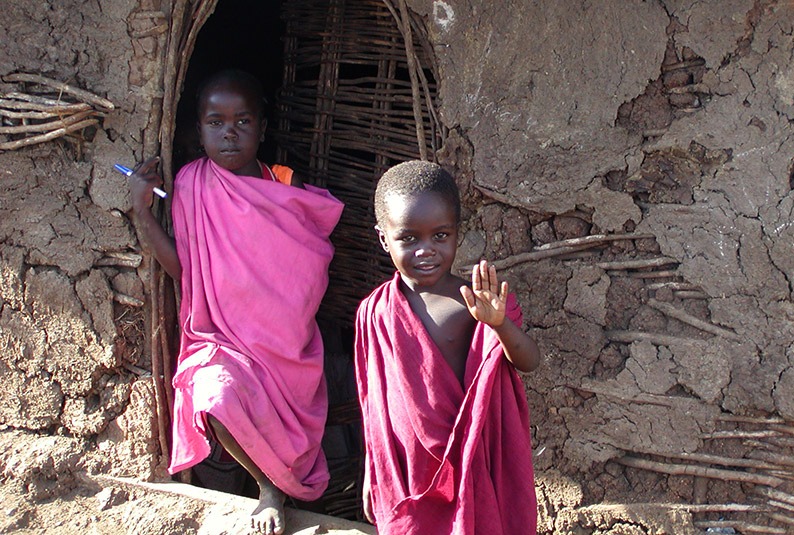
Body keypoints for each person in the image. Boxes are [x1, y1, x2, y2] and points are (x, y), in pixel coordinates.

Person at [127, 69, 344, 535]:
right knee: (213, 392)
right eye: (216, 122)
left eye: (243, 121)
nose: (230, 132)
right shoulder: (190, 185)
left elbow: (306, 263)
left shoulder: (284, 183)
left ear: (262, 129)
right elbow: (185, 268)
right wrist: (142, 211)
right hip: (220, 337)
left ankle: (276, 484)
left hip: (283, 342)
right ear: (198, 129)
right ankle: (269, 486)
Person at [354, 160, 540, 534]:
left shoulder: (475, 302)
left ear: (457, 234)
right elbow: (372, 402)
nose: (426, 250)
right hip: (407, 468)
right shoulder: (374, 312)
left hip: (467, 460)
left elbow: (529, 361)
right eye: (409, 238)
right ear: (383, 238)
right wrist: (372, 473)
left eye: (440, 236)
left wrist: (499, 323)